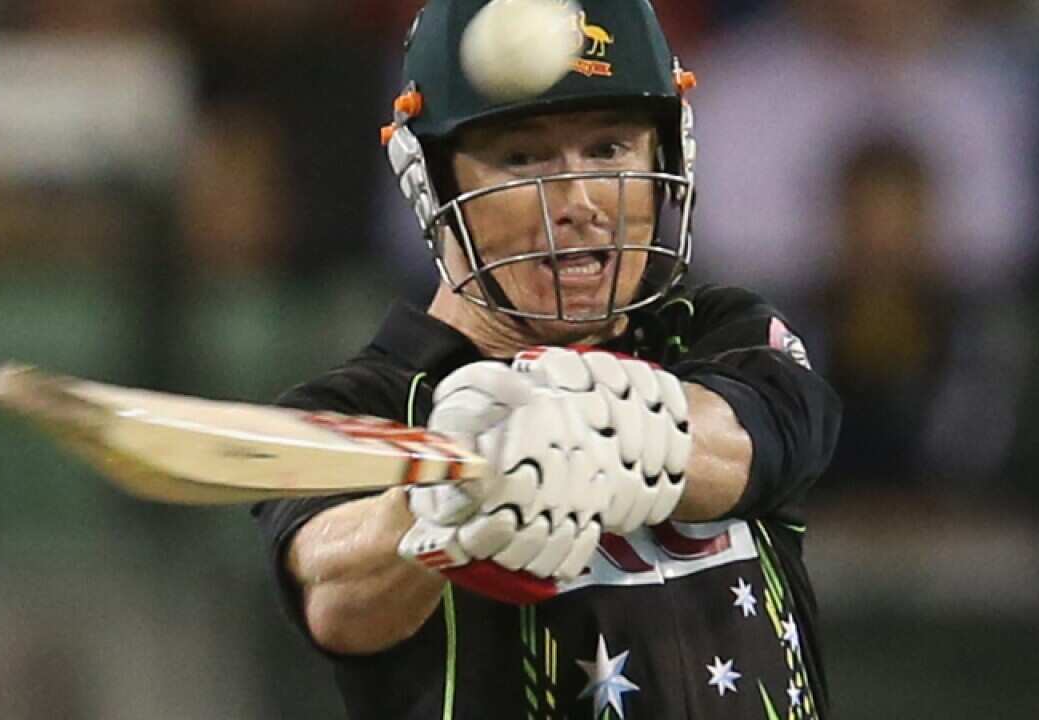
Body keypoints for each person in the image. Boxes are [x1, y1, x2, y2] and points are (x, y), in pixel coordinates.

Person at [253, 1, 841, 718]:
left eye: (609, 149)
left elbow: (745, 441)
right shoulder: (358, 408)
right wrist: (434, 511)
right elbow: (335, 592)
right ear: (432, 181)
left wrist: (595, 426)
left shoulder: (720, 332)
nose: (579, 200)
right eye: (521, 157)